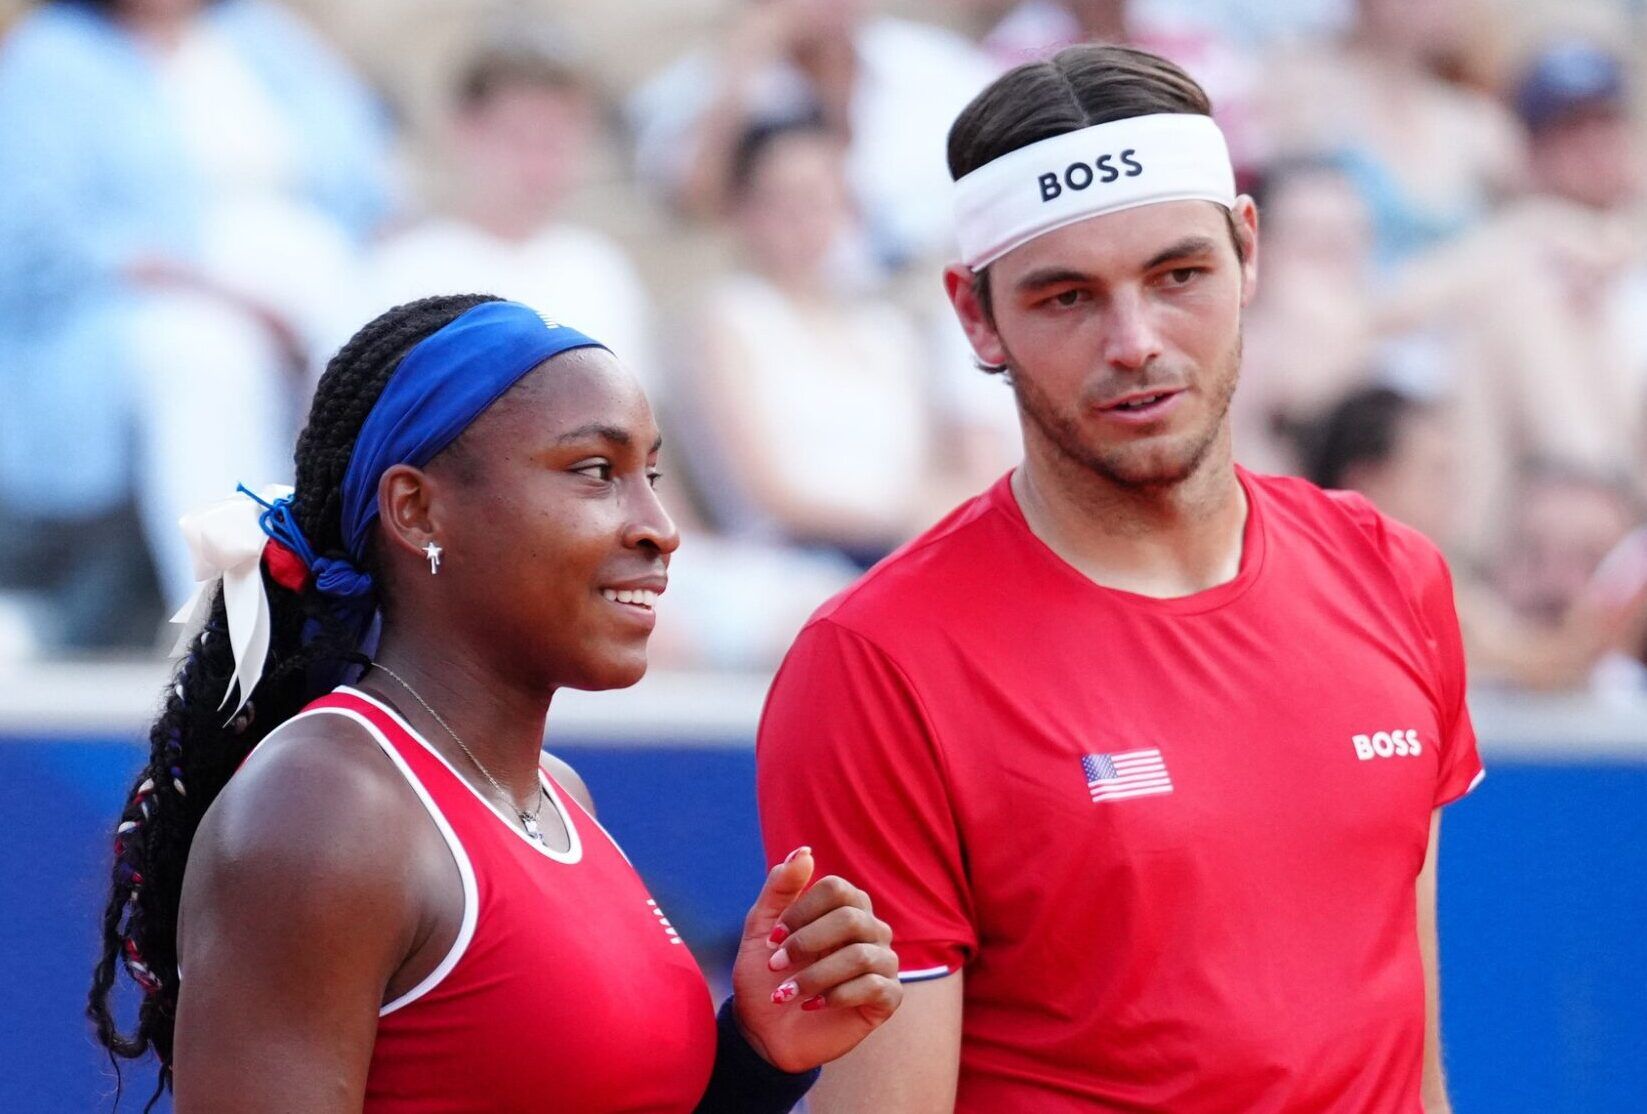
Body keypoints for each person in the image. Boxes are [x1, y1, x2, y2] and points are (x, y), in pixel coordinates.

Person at [758, 44, 1483, 1111]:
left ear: (1248, 250)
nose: (1135, 341)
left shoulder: (1391, 571)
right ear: (975, 314)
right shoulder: (878, 663)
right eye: (1065, 297)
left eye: (1178, 275)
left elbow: (1409, 1051)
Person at [87, 295, 901, 1111]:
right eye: (594, 472)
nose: (659, 527)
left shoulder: (559, 796)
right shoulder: (325, 811)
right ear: (417, 510)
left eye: (650, 475)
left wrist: (756, 1056)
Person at [0, 0, 392, 645]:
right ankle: (229, 616)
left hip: (309, 274)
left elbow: (359, 174)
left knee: (393, 333)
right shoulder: (51, 56)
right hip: (145, 298)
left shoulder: (259, 36)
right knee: (207, 356)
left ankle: (377, 598)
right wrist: (230, 295)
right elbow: (41, 233)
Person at [680, 119, 940, 565]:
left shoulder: (885, 330)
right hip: (792, 560)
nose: (805, 219)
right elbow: (768, 497)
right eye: (784, 200)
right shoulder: (729, 317)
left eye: (821, 197)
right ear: (744, 209)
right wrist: (909, 525)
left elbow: (927, 473)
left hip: (901, 548)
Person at [363, 29, 658, 389]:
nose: (537, 162)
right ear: (464, 130)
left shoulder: (600, 268)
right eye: (519, 137)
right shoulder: (403, 268)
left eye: (555, 140)